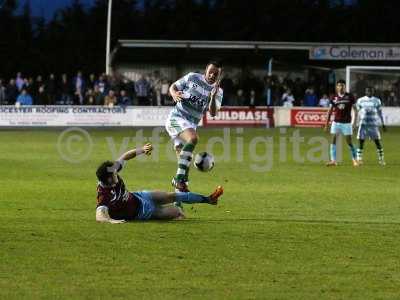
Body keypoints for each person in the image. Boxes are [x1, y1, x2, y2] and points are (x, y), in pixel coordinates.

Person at [95, 143, 224, 223]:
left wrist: (142, 149)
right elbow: (99, 215)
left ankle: (208, 199)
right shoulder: (104, 194)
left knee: (171, 196)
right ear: (109, 180)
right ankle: (178, 208)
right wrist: (111, 221)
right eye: (114, 175)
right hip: (141, 213)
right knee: (177, 212)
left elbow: (125, 156)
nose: (117, 173)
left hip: (139, 196)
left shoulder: (111, 171)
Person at [165, 61, 223, 192]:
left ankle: (177, 201)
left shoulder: (218, 91)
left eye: (216, 73)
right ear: (206, 70)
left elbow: (213, 113)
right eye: (211, 71)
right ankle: (178, 179)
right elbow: (173, 86)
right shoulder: (192, 77)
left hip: (191, 124)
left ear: (219, 75)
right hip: (176, 118)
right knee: (193, 138)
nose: (213, 75)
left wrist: (213, 97)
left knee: (185, 164)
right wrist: (174, 94)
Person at [324, 80, 358, 167]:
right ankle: (333, 161)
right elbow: (330, 111)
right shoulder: (334, 97)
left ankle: (354, 160)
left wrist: (354, 123)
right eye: (339, 85)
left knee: (349, 142)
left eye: (342, 85)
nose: (340, 87)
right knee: (333, 141)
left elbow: (355, 110)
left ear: (345, 86)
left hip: (346, 123)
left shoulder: (350, 96)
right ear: (337, 87)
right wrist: (326, 124)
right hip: (336, 123)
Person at [355, 87, 386, 165]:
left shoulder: (377, 100)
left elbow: (380, 113)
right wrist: (356, 124)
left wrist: (383, 124)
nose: (369, 92)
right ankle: (359, 159)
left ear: (373, 92)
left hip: (373, 124)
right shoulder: (360, 100)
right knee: (361, 141)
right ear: (365, 91)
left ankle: (381, 159)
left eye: (371, 91)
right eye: (368, 91)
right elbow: (357, 113)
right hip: (363, 124)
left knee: (377, 141)